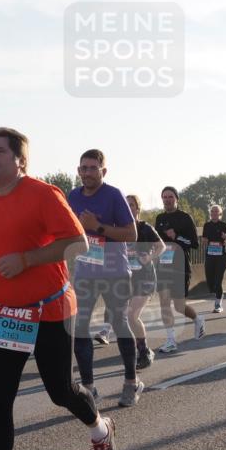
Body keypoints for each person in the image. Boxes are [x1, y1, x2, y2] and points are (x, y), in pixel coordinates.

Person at [0, 128, 116, 450]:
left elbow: (78, 242)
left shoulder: (44, 194)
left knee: (61, 391)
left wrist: (27, 260)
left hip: (49, 310)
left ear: (20, 160)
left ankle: (100, 429)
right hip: (5, 314)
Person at [67, 149, 142, 407]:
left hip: (114, 272)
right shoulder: (72, 196)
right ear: (78, 171)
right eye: (83, 168)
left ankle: (131, 382)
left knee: (120, 324)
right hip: (85, 272)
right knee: (79, 328)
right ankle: (88, 388)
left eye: (92, 168)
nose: (87, 173)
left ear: (103, 171)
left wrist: (97, 226)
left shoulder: (113, 195)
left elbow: (131, 234)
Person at [155, 186, 205, 353]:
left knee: (179, 306)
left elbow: (194, 244)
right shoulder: (160, 218)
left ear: (176, 199)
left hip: (180, 267)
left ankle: (197, 319)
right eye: (164, 197)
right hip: (163, 266)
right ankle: (171, 340)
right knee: (164, 303)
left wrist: (177, 237)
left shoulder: (185, 218)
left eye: (170, 196)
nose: (167, 200)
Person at [125, 194, 166, 369]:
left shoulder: (145, 228)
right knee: (128, 318)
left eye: (132, 205)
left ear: (137, 209)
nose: (129, 208)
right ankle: (142, 350)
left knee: (132, 315)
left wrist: (149, 257)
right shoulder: (121, 229)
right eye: (126, 205)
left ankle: (144, 352)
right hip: (128, 278)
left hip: (146, 278)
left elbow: (161, 246)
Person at [201, 204, 226, 313]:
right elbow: (204, 240)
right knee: (210, 282)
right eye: (212, 211)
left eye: (216, 211)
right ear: (210, 214)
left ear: (220, 214)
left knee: (218, 281)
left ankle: (218, 304)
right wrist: (204, 241)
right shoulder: (207, 225)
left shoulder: (224, 225)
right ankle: (217, 294)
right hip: (210, 256)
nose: (214, 213)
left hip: (221, 257)